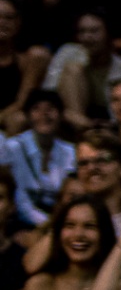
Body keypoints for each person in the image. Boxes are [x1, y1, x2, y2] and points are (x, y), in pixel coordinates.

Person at [2, 195, 112, 290]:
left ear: (104, 233)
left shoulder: (115, 287)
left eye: (89, 226)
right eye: (69, 225)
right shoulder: (41, 285)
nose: (78, 234)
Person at [46, 11, 121, 133]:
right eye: (82, 31)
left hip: (113, 128)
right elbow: (48, 96)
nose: (87, 37)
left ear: (109, 34)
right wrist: (85, 123)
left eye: (94, 31)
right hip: (71, 122)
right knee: (72, 69)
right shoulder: (67, 54)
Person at [4, 89, 71, 225]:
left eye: (50, 108)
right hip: (21, 221)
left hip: (60, 220)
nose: (44, 114)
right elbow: (20, 199)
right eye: (36, 109)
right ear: (28, 116)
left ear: (61, 115)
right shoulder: (13, 148)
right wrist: (47, 224)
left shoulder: (70, 152)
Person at [0, 0, 50, 136]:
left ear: (18, 23)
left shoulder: (27, 60)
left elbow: (22, 102)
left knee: (19, 119)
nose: (2, 22)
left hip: (10, 117)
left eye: (9, 18)